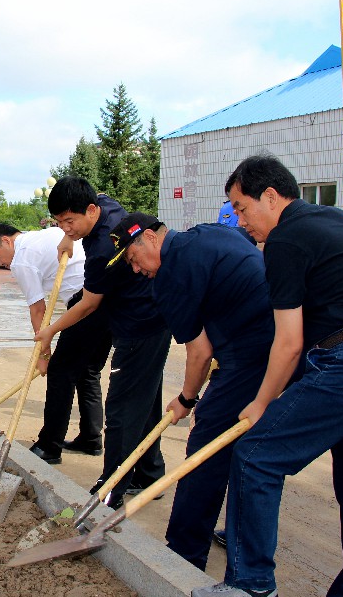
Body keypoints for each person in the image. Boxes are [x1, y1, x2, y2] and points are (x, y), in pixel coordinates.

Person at [191, 154, 343, 597]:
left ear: (270, 197)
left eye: (241, 206)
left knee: (255, 454)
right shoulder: (334, 218)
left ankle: (251, 585)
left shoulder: (285, 240)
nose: (238, 219)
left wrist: (259, 402)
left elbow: (289, 344)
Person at [107, 212, 273, 572]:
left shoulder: (170, 277)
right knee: (247, 450)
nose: (136, 270)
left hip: (252, 353)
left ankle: (182, 554)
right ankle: (239, 537)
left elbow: (199, 352)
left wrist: (186, 398)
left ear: (150, 238)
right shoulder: (210, 234)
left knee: (205, 450)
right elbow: (243, 258)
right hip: (284, 343)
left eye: (134, 260)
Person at [35, 178, 171, 510]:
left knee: (123, 407)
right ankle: (149, 472)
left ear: (91, 210)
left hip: (139, 324)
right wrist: (67, 237)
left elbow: (89, 305)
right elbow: (97, 199)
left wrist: (49, 330)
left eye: (70, 221)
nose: (66, 228)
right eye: (59, 222)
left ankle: (111, 486)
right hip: (154, 316)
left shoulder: (102, 252)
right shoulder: (105, 207)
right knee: (146, 400)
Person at [0, 223, 110, 464]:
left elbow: (38, 309)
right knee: (87, 372)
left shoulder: (22, 258)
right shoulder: (49, 234)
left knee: (60, 374)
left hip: (84, 304)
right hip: (105, 299)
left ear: (8, 241)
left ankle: (49, 445)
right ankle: (90, 437)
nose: (1, 263)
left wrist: (44, 355)